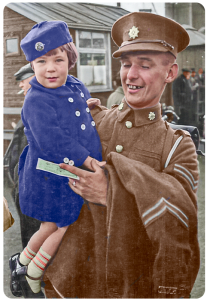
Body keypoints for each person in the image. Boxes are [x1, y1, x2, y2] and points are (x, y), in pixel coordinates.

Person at [43, 12, 200, 299]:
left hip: (134, 288)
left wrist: (110, 192)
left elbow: (180, 224)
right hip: (74, 283)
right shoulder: (93, 122)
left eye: (145, 65)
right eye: (126, 64)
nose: (131, 75)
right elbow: (45, 172)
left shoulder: (178, 146)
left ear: (170, 73)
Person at [9, 20, 103, 295]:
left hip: (63, 170)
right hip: (53, 173)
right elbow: (53, 140)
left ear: (70, 60)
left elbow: (70, 110)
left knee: (50, 224)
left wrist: (88, 106)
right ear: (32, 66)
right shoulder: (35, 100)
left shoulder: (75, 85)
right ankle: (34, 272)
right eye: (40, 62)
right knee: (65, 222)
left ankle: (22, 261)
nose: (50, 68)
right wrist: (87, 160)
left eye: (58, 60)